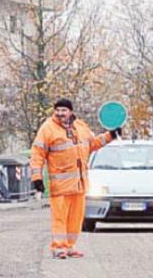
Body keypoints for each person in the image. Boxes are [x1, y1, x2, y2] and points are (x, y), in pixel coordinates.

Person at [30, 98, 121, 259]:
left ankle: (70, 246)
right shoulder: (47, 128)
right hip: (60, 185)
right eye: (57, 110)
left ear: (70, 111)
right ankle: (59, 248)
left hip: (79, 184)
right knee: (60, 218)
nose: (60, 113)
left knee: (75, 218)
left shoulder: (81, 126)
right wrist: (37, 178)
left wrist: (110, 135)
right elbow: (37, 153)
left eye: (63, 110)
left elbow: (93, 144)